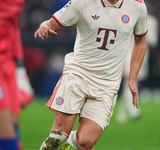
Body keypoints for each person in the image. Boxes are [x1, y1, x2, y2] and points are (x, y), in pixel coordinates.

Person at [34, 0, 148, 149]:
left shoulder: (137, 6)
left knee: (85, 142)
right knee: (58, 137)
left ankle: (69, 142)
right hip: (78, 74)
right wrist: (45, 26)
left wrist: (132, 78)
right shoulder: (82, 2)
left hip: (107, 85)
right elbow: (51, 23)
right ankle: (62, 140)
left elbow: (140, 41)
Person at [0, 0, 34, 150]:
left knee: (14, 129)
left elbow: (13, 26)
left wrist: (19, 69)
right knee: (7, 135)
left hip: (7, 64)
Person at [116, 12, 159, 123]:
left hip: (141, 54)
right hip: (126, 52)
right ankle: (133, 110)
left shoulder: (151, 20)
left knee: (132, 82)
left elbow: (153, 41)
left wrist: (142, 31)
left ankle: (122, 113)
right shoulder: (127, 15)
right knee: (129, 80)